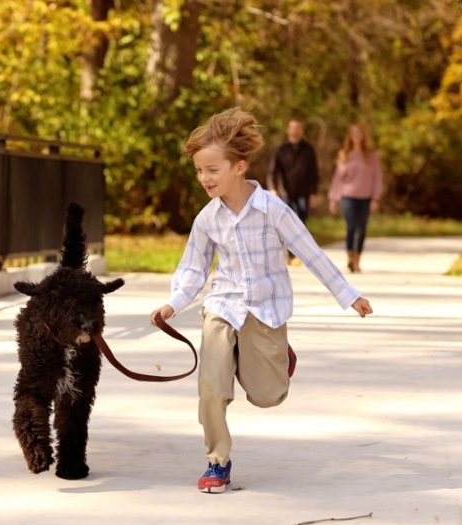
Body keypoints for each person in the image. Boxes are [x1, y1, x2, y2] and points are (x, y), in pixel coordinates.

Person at [150, 108, 374, 494]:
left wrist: (349, 296)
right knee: (211, 386)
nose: (204, 178)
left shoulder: (273, 210)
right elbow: (193, 268)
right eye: (200, 171)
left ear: (239, 167)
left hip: (266, 309)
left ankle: (274, 357)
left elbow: (311, 253)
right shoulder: (207, 219)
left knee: (267, 395)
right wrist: (173, 304)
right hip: (223, 305)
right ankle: (217, 462)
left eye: (212, 170)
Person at [328, 123, 383, 273]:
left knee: (362, 228)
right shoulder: (345, 155)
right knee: (351, 227)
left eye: (359, 133)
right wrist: (333, 198)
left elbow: (377, 178)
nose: (357, 136)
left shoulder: (371, 156)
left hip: (365, 197)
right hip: (348, 196)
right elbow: (338, 179)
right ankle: (350, 258)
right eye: (354, 134)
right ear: (350, 137)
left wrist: (376, 198)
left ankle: (358, 259)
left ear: (363, 136)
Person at [267, 118, 319, 223]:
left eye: (298, 128)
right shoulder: (281, 149)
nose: (295, 131)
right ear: (288, 130)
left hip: (303, 193)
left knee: (301, 222)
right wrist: (272, 188)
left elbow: (314, 173)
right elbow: (272, 171)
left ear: (302, 131)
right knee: (286, 222)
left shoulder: (308, 149)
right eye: (293, 128)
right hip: (284, 193)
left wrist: (314, 193)